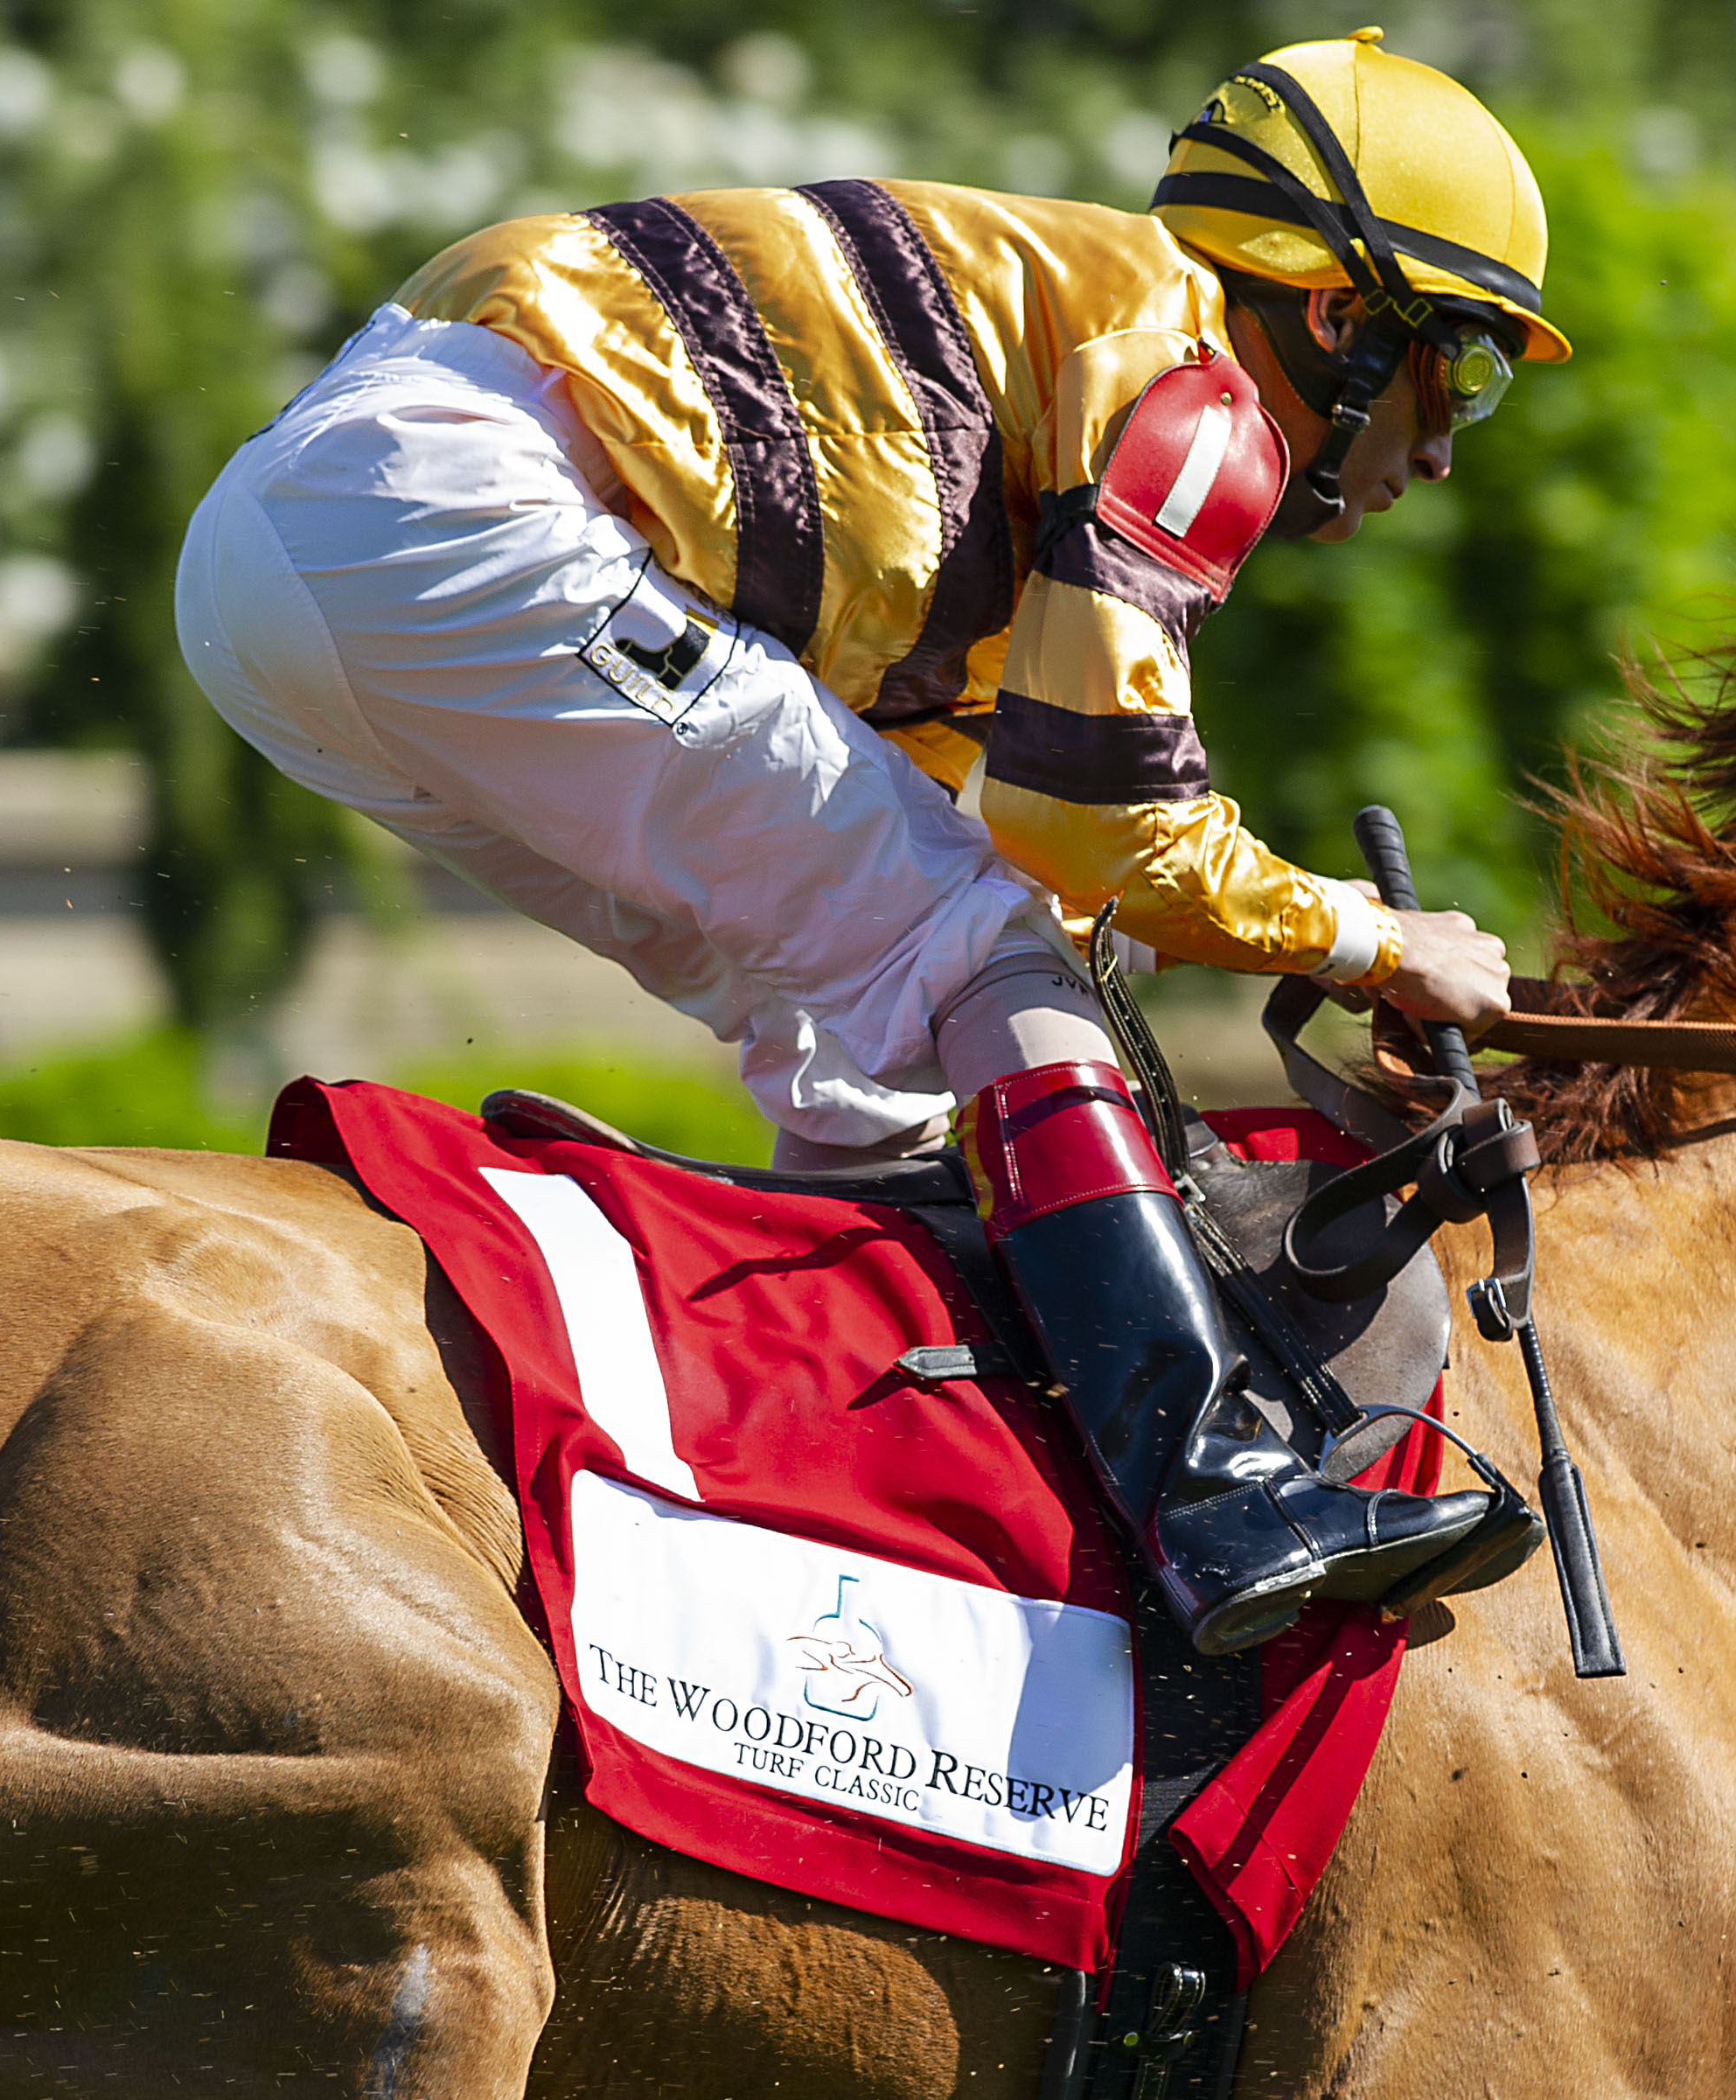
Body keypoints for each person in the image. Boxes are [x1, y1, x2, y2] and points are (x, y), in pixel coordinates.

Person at [172, 29, 1565, 1653]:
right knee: (970, 945)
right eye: (1451, 367)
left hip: (282, 570)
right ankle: (1211, 1481)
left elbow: (1016, 837)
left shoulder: (1043, 364)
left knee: (862, 1011)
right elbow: (1101, 827)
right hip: (444, 514)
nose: (1446, 446)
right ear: (1337, 315)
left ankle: (847, 1507)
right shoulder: (1195, 388)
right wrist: (1375, 938)